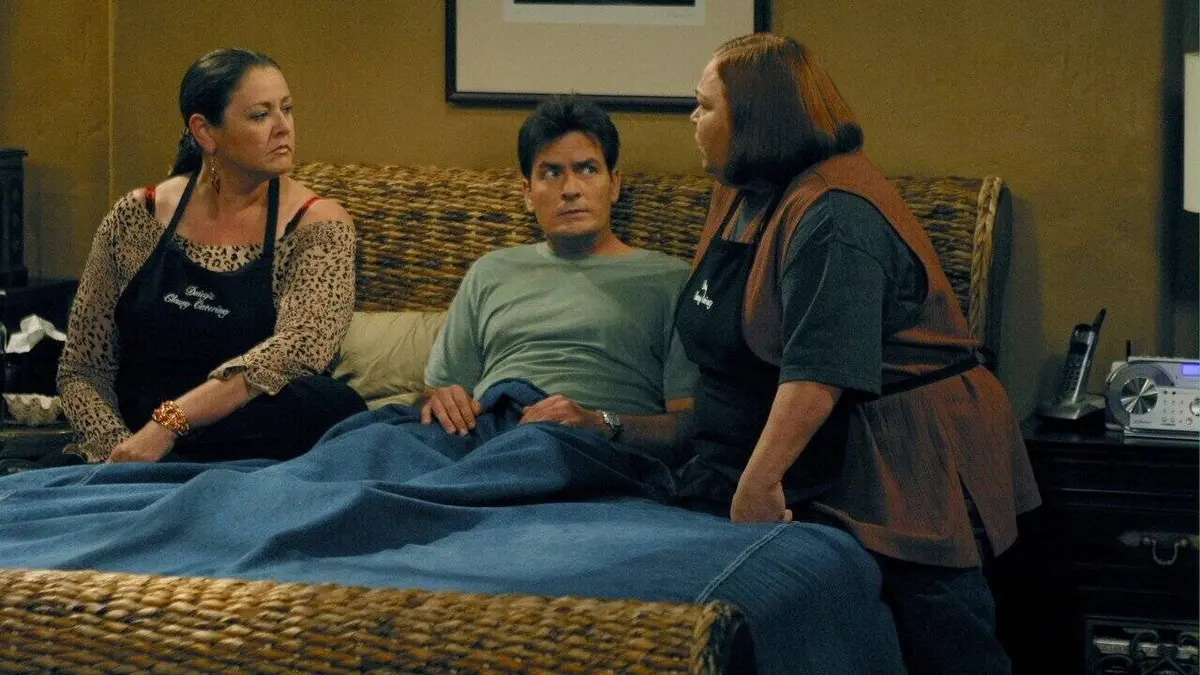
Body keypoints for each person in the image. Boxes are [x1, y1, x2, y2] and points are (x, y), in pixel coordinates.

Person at [675, 33, 1041, 675]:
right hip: (808, 456)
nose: (692, 119)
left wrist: (757, 484)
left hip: (910, 453)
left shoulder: (835, 214)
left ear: (755, 121)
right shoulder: (740, 189)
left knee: (942, 640)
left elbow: (817, 373)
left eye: (705, 106)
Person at [57, 48, 365, 465]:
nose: (283, 127)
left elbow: (301, 346)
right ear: (204, 132)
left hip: (252, 428)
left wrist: (171, 422)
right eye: (261, 115)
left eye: (287, 109)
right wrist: (121, 454)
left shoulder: (316, 223)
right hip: (139, 433)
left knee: (323, 402)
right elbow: (83, 367)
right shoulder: (138, 215)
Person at [421, 96, 696, 455]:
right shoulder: (489, 271)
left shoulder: (671, 280)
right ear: (527, 193)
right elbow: (443, 389)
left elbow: (688, 427)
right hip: (488, 435)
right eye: (552, 173)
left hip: (586, 450)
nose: (570, 189)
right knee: (370, 443)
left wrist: (601, 423)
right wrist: (445, 400)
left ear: (614, 185)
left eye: (587, 169)